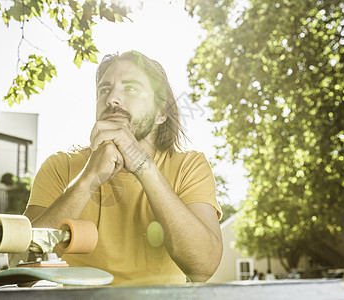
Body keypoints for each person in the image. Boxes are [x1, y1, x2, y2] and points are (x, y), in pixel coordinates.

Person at [23, 50, 223, 285]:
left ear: (161, 113)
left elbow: (203, 268)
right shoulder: (60, 166)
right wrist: (88, 179)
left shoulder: (189, 166)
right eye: (105, 90)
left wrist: (142, 167)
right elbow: (22, 266)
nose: (111, 99)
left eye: (131, 89)